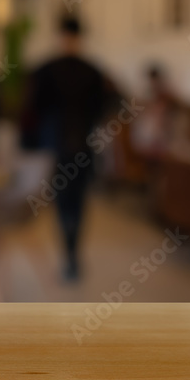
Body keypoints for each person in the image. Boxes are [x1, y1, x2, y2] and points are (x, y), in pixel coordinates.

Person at [20, 16, 117, 281]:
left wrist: (29, 144)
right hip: (77, 146)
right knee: (73, 201)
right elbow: (110, 103)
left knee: (68, 201)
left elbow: (31, 111)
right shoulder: (91, 70)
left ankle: (71, 252)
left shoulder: (48, 70)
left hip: (64, 146)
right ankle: (71, 252)